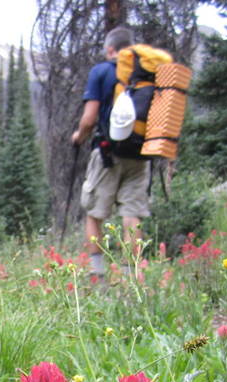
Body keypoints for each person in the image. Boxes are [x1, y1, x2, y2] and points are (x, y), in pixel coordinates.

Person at [71, 26, 150, 277]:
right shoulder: (146, 74)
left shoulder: (102, 71)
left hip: (107, 154)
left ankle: (98, 275)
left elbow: (89, 119)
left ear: (110, 49)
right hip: (140, 154)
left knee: (94, 213)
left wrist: (78, 137)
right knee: (131, 214)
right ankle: (131, 276)